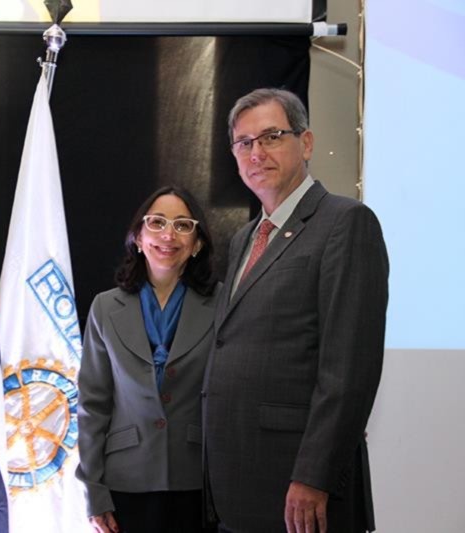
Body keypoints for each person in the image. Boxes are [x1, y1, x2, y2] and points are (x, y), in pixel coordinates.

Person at [203, 88, 389, 533]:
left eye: (271, 136)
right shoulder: (244, 238)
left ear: (305, 143)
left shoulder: (346, 222)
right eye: (244, 142)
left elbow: (349, 369)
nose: (256, 152)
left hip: (300, 488)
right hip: (238, 482)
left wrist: (314, 475)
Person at [77, 185, 220, 533]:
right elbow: (93, 405)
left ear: (197, 244)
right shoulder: (105, 307)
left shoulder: (223, 303)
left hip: (199, 479)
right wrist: (93, 491)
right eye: (157, 222)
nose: (168, 235)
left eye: (183, 225)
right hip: (125, 480)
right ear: (138, 238)